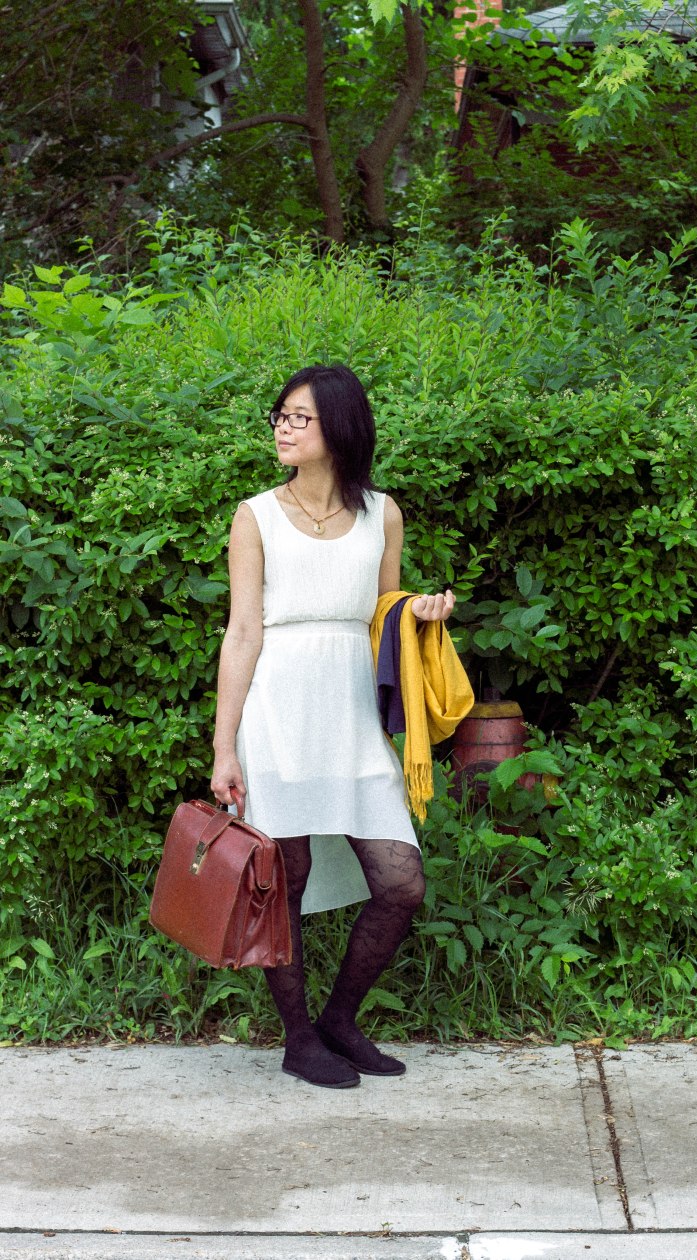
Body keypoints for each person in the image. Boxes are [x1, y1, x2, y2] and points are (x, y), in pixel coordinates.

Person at [210, 364, 455, 1090]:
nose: (283, 429)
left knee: (400, 881)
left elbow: (385, 615)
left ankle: (340, 1019)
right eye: (280, 416)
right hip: (278, 710)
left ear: (340, 427)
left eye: (299, 417)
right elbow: (242, 632)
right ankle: (298, 1039)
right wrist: (225, 746)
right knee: (284, 880)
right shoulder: (255, 516)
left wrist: (419, 614)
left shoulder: (383, 514)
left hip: (353, 715)